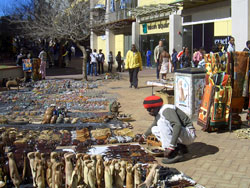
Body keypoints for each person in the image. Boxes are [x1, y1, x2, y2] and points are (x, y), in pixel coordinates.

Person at [141, 96, 196, 164]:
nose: (149, 112)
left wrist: (171, 147)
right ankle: (180, 148)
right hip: (183, 134)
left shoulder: (167, 110)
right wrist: (144, 136)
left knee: (162, 123)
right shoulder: (159, 112)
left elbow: (177, 125)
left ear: (154, 108)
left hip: (189, 134)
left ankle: (174, 154)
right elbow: (153, 125)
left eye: (149, 110)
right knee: (154, 129)